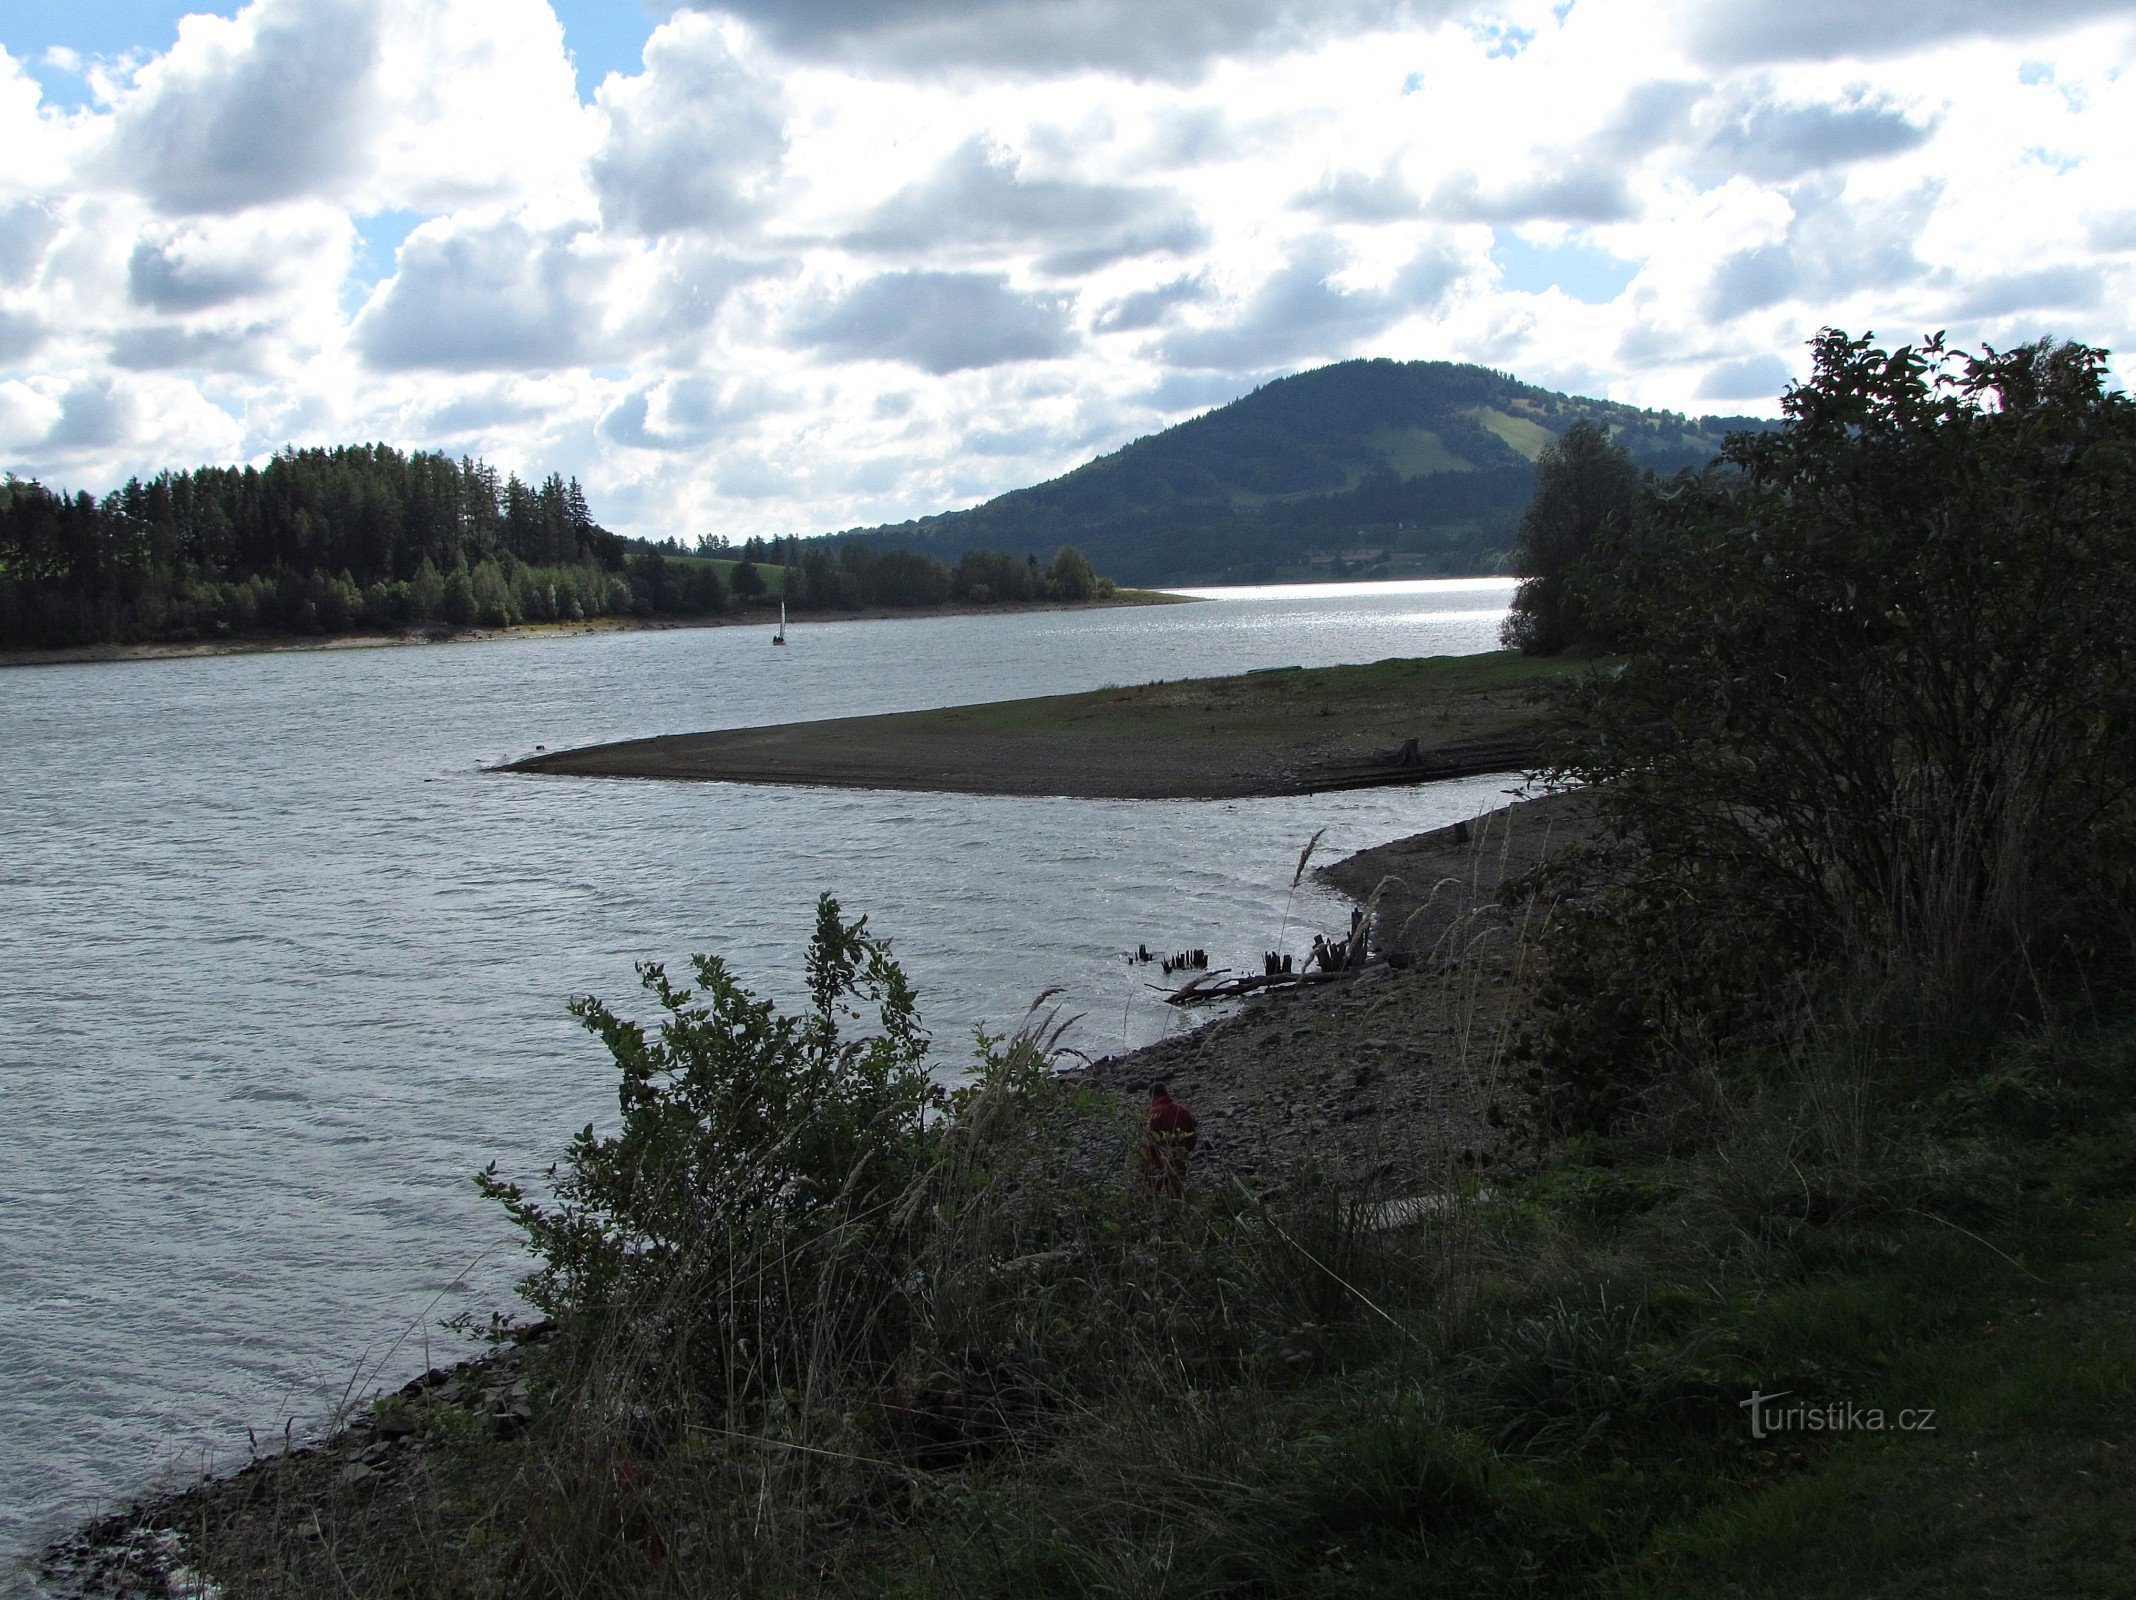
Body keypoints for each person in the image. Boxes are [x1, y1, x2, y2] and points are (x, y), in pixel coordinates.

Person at [1142, 1083, 1198, 1199]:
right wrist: (1186, 1150)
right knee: (1176, 1192)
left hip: (1160, 1159)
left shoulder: (1155, 1113)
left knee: (1151, 1190)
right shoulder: (1183, 1110)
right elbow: (1192, 1135)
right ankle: (1178, 1213)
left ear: (1153, 1096)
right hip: (1179, 1155)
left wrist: (1149, 1157)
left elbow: (1150, 1138)